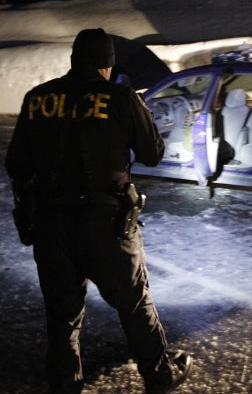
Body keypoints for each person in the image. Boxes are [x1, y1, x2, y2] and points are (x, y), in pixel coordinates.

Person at [5, 28, 192, 394]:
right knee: (135, 305)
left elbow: (16, 164)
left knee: (62, 315)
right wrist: (139, 112)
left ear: (74, 60)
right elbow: (153, 154)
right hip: (108, 226)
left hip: (52, 224)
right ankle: (159, 376)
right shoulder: (121, 97)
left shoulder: (38, 98)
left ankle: (65, 382)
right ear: (107, 66)